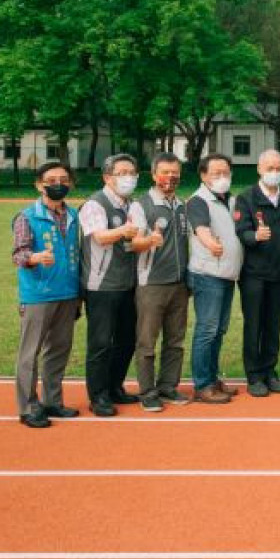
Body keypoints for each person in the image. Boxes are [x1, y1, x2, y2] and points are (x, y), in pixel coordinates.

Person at [11, 161, 82, 428]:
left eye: (64, 179)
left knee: (59, 351)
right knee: (30, 353)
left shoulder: (73, 216)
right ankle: (28, 406)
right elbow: (18, 254)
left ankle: (53, 401)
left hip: (68, 292)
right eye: (51, 180)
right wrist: (35, 257)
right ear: (39, 184)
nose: (58, 184)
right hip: (38, 294)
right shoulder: (26, 217)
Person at [129, 153, 191, 412]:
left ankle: (168, 385)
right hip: (151, 283)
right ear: (154, 175)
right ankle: (147, 391)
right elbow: (133, 242)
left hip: (179, 283)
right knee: (147, 341)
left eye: (175, 172)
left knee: (175, 340)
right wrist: (149, 240)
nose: (170, 177)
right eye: (165, 172)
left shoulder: (182, 204)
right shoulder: (141, 205)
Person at [79, 154, 141, 416]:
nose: (129, 177)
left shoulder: (131, 205)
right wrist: (123, 232)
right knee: (101, 342)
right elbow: (100, 237)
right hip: (101, 285)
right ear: (107, 177)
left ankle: (115, 386)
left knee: (127, 340)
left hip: (128, 283)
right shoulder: (95, 204)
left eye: (132, 172)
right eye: (122, 172)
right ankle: (98, 395)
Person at [186, 153, 244, 404]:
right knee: (207, 330)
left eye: (226, 173)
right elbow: (201, 229)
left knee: (219, 330)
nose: (222, 178)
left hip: (227, 274)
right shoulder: (199, 201)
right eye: (216, 173)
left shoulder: (229, 200)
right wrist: (211, 244)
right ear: (203, 176)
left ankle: (212, 379)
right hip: (208, 273)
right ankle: (202, 385)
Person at [234, 149, 280, 397]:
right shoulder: (246, 197)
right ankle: (254, 375)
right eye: (270, 168)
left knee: (273, 325)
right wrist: (254, 236)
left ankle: (269, 370)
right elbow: (241, 230)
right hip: (254, 274)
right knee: (254, 324)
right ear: (259, 169)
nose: (274, 173)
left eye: (278, 168)